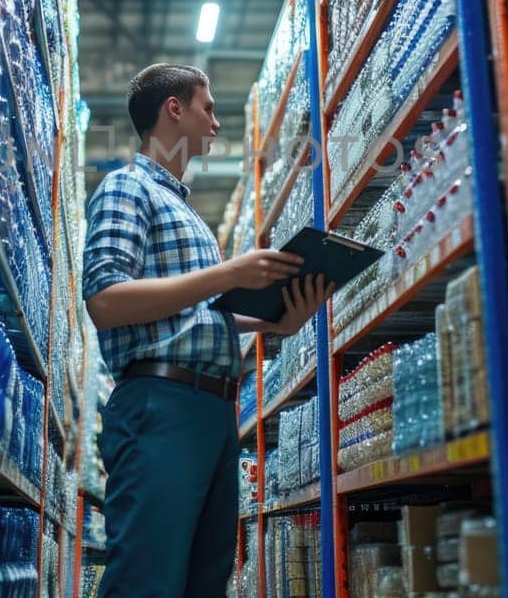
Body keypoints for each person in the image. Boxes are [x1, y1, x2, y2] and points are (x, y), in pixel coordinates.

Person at [82, 63, 333, 598]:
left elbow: (191, 312)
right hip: (161, 404)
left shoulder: (184, 210)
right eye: (208, 107)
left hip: (210, 409)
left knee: (203, 582)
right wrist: (230, 273)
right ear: (174, 108)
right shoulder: (127, 188)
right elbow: (105, 300)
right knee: (146, 579)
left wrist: (273, 319)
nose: (216, 123)